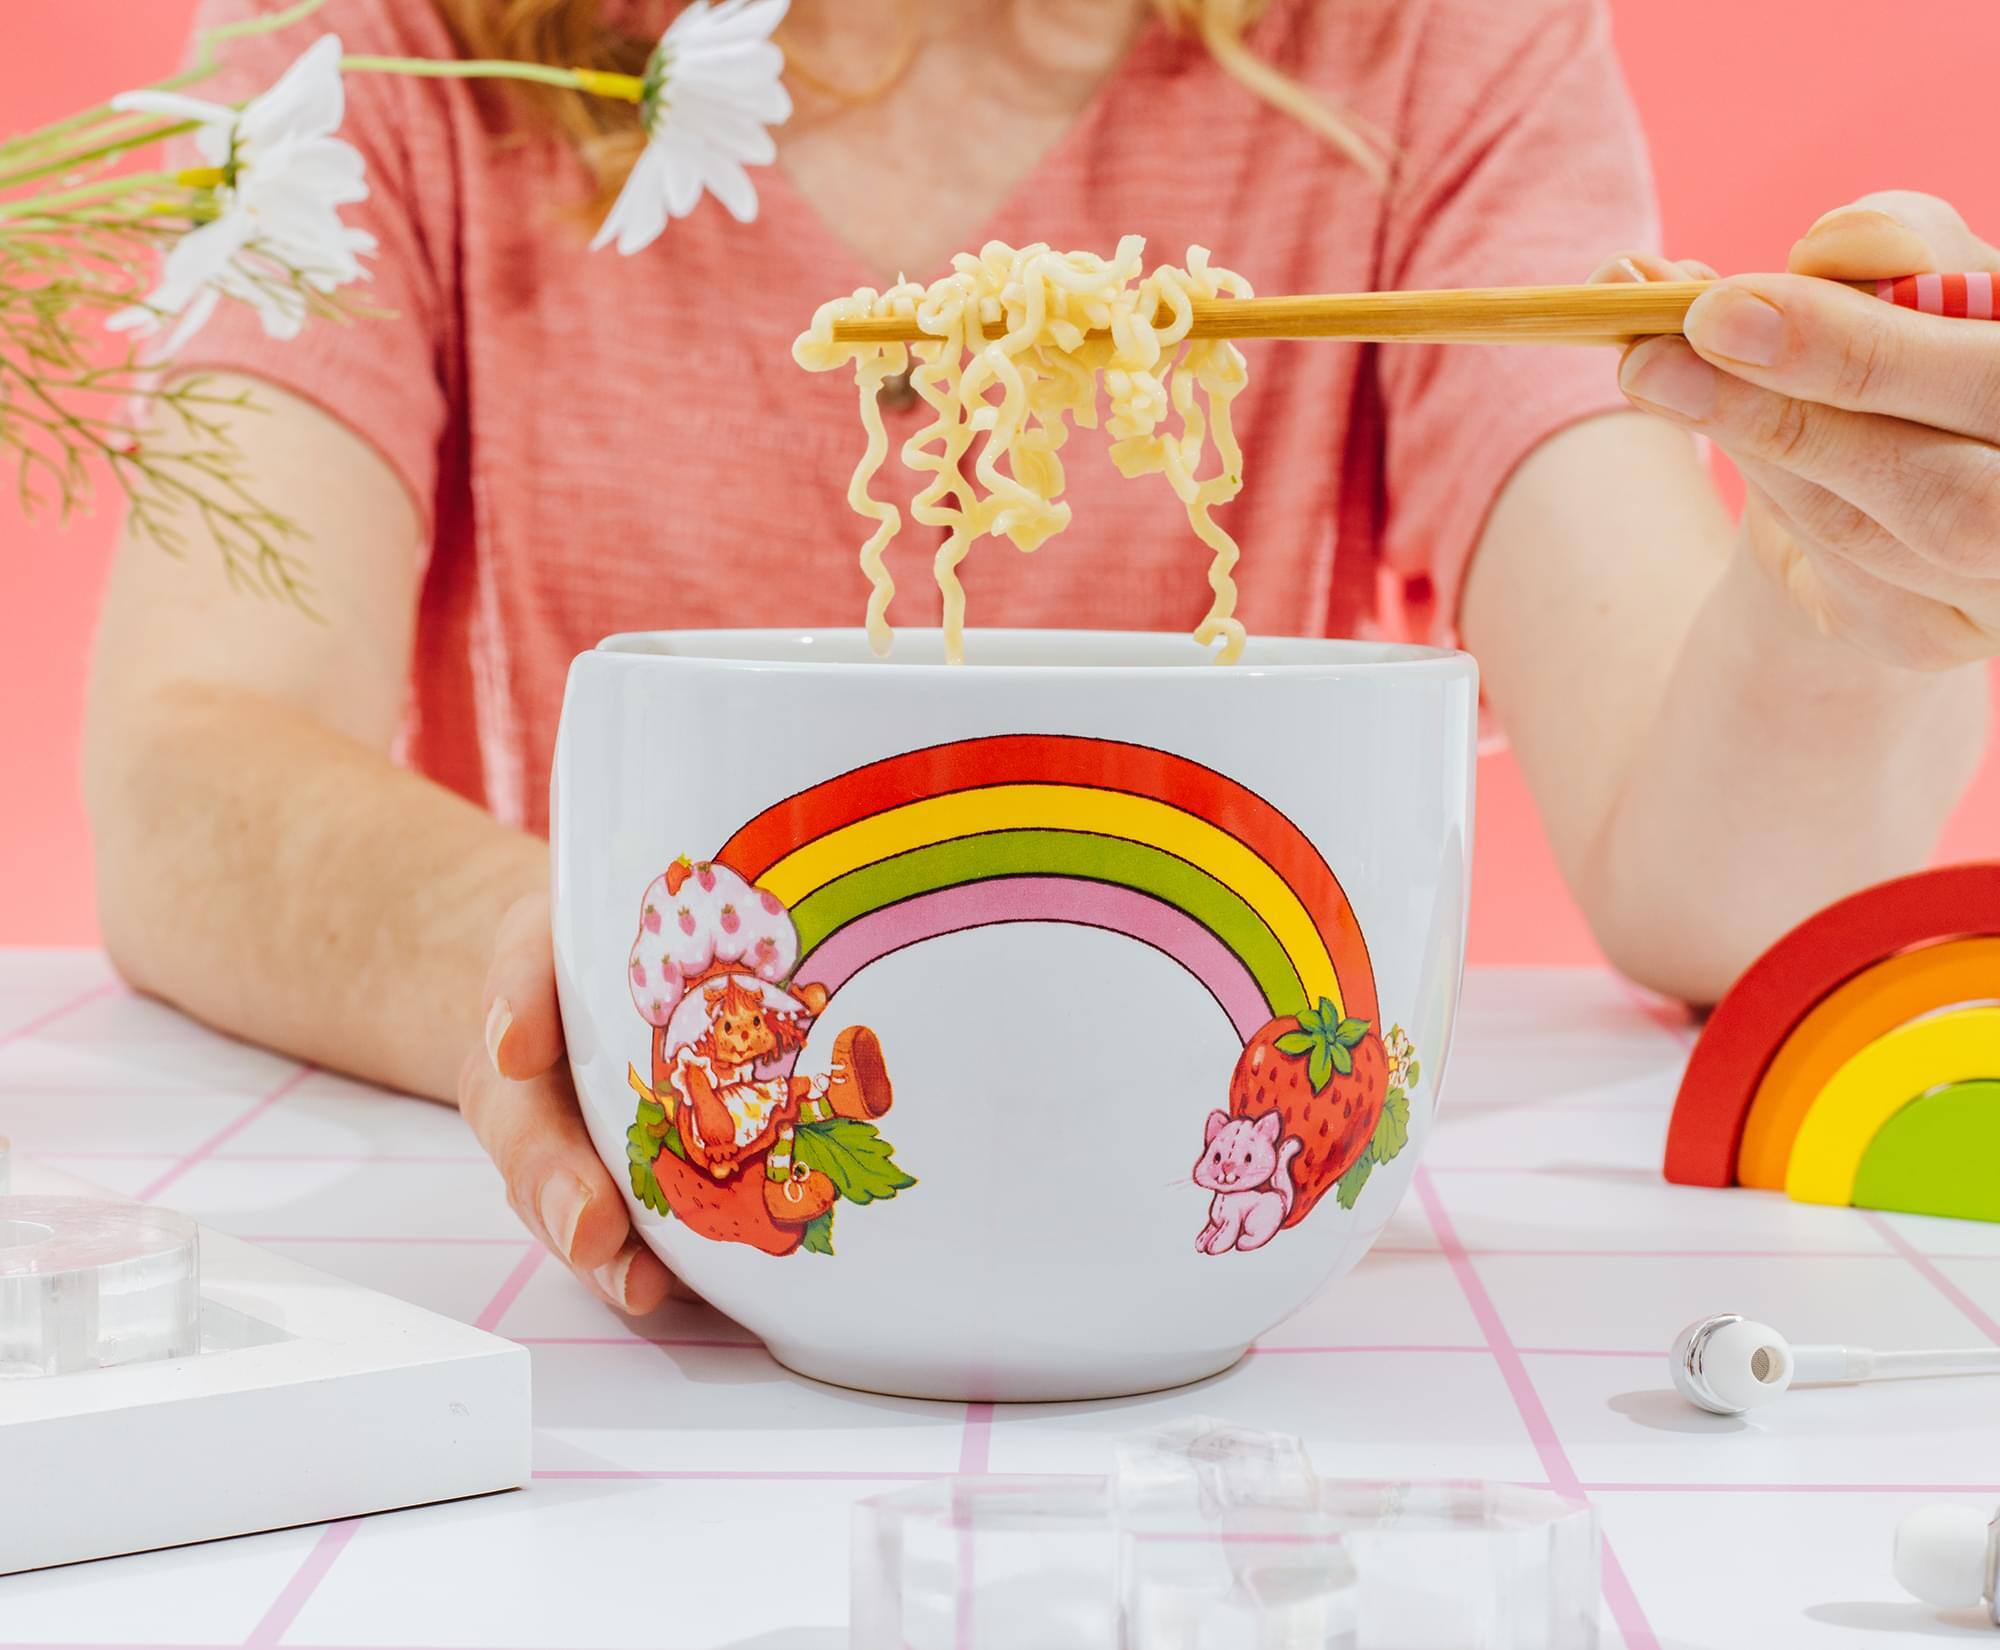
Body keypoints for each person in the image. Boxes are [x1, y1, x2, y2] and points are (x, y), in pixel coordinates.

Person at [84, 0, 1995, 1317]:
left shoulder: (1414, 41)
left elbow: (1710, 866)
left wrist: (1855, 599)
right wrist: (543, 951)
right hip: (688, 1245)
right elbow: (189, 754)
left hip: (1186, 1229)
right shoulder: (406, 43)